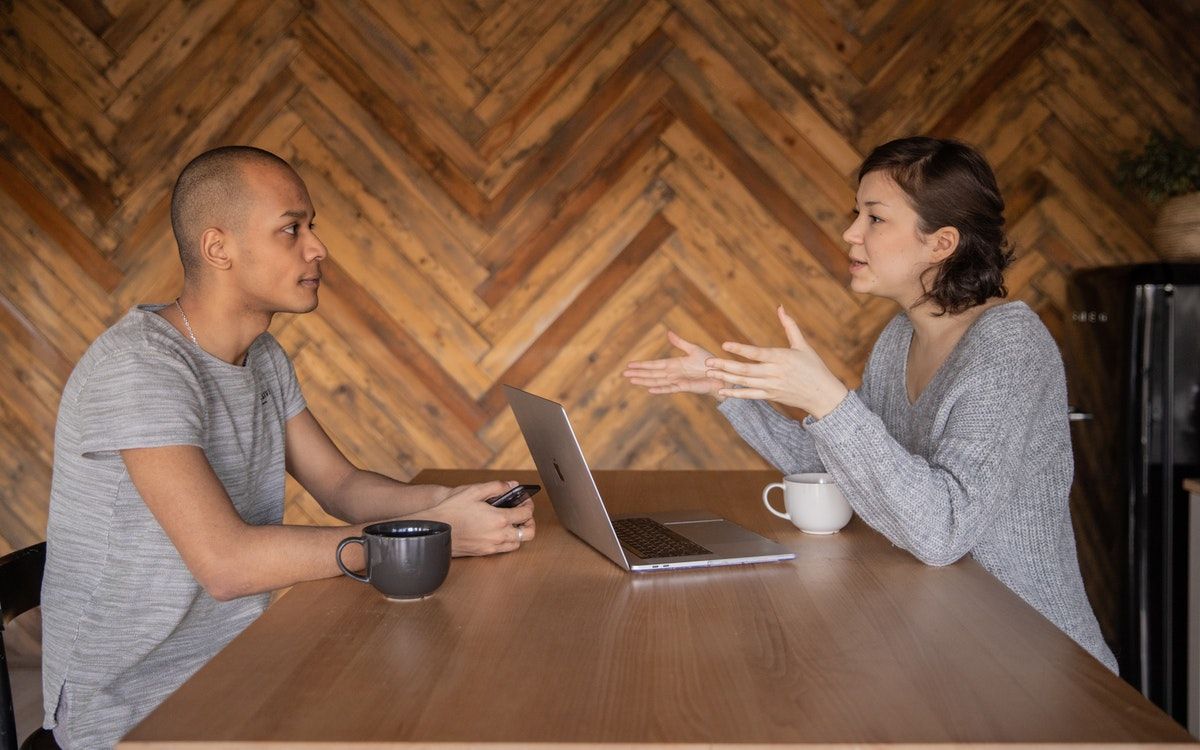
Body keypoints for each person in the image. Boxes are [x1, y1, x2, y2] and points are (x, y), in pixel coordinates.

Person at [40, 146, 536, 749]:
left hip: (238, 670)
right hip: (137, 709)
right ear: (218, 248)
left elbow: (341, 487)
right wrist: (432, 535)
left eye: (311, 228)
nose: (317, 248)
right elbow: (227, 565)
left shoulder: (264, 358)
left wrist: (451, 500)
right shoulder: (139, 369)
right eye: (291, 229)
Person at [624, 136, 1117, 671]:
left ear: (941, 243)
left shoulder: (1010, 349)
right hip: (945, 639)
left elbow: (942, 533)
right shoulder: (898, 339)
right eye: (855, 213)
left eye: (875, 218)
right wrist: (728, 389)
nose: (849, 233)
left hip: (1032, 661)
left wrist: (828, 400)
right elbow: (842, 468)